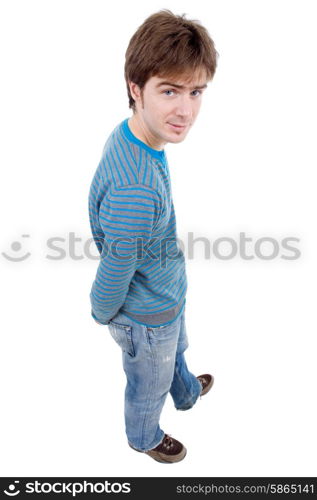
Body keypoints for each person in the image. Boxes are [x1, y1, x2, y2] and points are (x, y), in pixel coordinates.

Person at [88, 9, 218, 463]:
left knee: (177, 352)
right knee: (149, 383)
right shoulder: (137, 189)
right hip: (145, 315)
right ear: (135, 87)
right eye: (169, 91)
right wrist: (104, 312)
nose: (185, 110)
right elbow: (117, 264)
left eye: (195, 91)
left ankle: (184, 392)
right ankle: (143, 435)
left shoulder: (135, 135)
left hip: (166, 293)